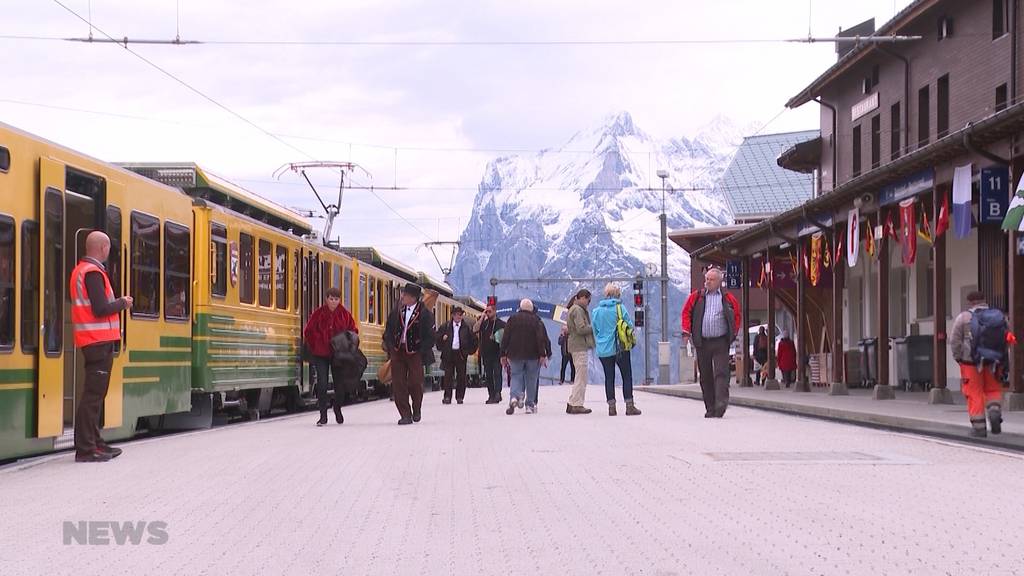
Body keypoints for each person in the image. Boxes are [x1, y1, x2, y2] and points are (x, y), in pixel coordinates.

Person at [70, 231, 133, 462]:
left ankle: (95, 442)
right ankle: (86, 449)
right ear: (103, 249)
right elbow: (100, 308)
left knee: (95, 394)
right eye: (108, 249)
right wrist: (122, 303)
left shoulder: (82, 270)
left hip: (94, 342)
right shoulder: (93, 273)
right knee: (93, 397)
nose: (109, 252)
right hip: (97, 342)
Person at [950, 291, 1013, 438]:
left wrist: (958, 357)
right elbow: (1007, 338)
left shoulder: (964, 318)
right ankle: (994, 411)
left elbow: (954, 341)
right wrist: (1002, 358)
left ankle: (979, 428)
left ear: (970, 302)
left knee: (974, 393)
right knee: (993, 390)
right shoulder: (999, 317)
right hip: (994, 361)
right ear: (984, 301)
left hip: (970, 362)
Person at [681, 267, 741, 418]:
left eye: (711, 279)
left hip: (720, 341)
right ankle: (710, 407)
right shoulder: (697, 297)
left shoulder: (728, 298)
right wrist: (686, 332)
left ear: (719, 282)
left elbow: (736, 314)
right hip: (702, 342)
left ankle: (720, 404)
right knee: (705, 375)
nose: (707, 282)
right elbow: (686, 312)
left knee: (721, 372)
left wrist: (733, 333)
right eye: (706, 279)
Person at [303, 287, 358, 426]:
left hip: (339, 355)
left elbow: (353, 331)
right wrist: (316, 343)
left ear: (340, 300)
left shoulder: (345, 314)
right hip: (321, 354)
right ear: (326, 299)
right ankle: (323, 415)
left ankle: (337, 408)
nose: (333, 302)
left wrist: (346, 343)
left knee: (339, 386)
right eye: (331, 299)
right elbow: (308, 331)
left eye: (336, 299)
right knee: (322, 384)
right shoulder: (318, 313)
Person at [383, 283, 435, 425]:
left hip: (415, 353)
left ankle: (416, 408)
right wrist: (390, 346)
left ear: (413, 298)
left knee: (415, 383)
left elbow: (431, 336)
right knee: (398, 384)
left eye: (404, 295)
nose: (402, 297)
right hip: (398, 352)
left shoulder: (425, 314)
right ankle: (405, 414)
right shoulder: (396, 312)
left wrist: (421, 350)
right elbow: (388, 330)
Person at [591, 283, 641, 416]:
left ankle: (611, 407)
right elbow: (629, 326)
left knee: (609, 377)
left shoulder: (596, 311)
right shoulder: (620, 309)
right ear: (617, 294)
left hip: (603, 350)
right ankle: (629, 406)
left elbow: (595, 330)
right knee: (626, 375)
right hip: (620, 348)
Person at [500, 299, 549, 414]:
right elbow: (540, 339)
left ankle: (514, 397)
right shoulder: (536, 320)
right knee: (531, 379)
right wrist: (542, 354)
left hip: (515, 354)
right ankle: (529, 405)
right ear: (532, 309)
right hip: (533, 355)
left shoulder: (512, 319)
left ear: (520, 308)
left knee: (516, 376)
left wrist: (503, 354)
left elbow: (505, 337)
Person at [436, 307, 477, 404]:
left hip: (461, 354)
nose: (458, 316)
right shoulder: (445, 326)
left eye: (460, 315)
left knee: (461, 377)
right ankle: (447, 397)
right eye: (457, 314)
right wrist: (442, 339)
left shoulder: (466, 328)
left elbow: (474, 341)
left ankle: (460, 397)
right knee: (448, 377)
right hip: (449, 354)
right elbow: (437, 338)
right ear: (452, 315)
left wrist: (468, 352)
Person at [565, 289, 595, 415]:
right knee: (581, 377)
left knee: (579, 375)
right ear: (582, 297)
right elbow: (581, 329)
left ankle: (572, 402)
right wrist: (594, 327)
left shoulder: (573, 308)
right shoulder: (577, 310)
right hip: (579, 345)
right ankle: (577, 404)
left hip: (575, 345)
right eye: (588, 300)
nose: (588, 303)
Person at [474, 304, 506, 404]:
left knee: (497, 373)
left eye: (490, 311)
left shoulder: (501, 324)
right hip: (486, 353)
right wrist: (482, 317)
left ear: (495, 312)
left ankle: (497, 393)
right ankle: (491, 394)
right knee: (488, 375)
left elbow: (503, 340)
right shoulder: (484, 324)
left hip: (497, 353)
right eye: (486, 311)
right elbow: (475, 329)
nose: (488, 313)